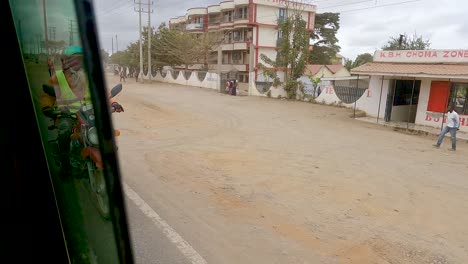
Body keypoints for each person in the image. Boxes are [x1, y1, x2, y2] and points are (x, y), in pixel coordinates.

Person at [40, 45, 124, 180]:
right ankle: (66, 168)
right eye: (73, 60)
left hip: (90, 113)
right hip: (68, 115)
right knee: (64, 132)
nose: (76, 63)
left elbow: (105, 93)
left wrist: (113, 103)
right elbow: (47, 96)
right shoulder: (58, 77)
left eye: (80, 60)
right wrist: (47, 107)